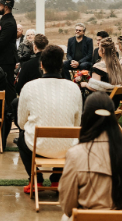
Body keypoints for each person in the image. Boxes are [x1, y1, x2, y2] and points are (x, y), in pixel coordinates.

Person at [58, 93, 122, 221]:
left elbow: (68, 206)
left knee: (65, 218)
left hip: (88, 220)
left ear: (86, 117)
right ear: (113, 118)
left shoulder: (75, 154)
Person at [18, 44, 82, 194]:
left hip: (36, 146)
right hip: (66, 147)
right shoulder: (74, 88)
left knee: (21, 137)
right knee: (70, 135)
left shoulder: (29, 87)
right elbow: (77, 123)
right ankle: (57, 179)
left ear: (41, 65)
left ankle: (36, 181)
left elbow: (21, 123)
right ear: (61, 65)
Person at [0, 0, 19, 89]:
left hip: (6, 59)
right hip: (2, 58)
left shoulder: (9, 22)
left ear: (6, 7)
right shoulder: (4, 19)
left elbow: (2, 41)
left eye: (0, 5)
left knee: (8, 85)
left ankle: (10, 103)